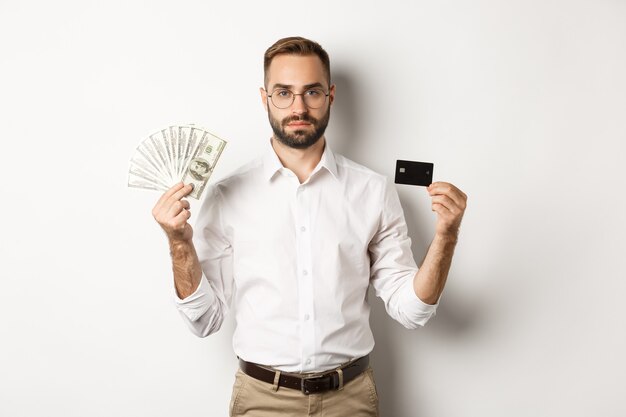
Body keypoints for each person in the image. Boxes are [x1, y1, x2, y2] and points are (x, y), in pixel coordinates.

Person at [152, 36, 467, 417]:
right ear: (264, 97)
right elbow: (204, 320)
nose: (298, 107)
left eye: (312, 92)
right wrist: (178, 242)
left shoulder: (372, 190)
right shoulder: (226, 195)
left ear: (330, 95)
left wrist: (446, 237)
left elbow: (411, 311)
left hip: (349, 400)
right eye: (283, 92)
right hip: (261, 400)